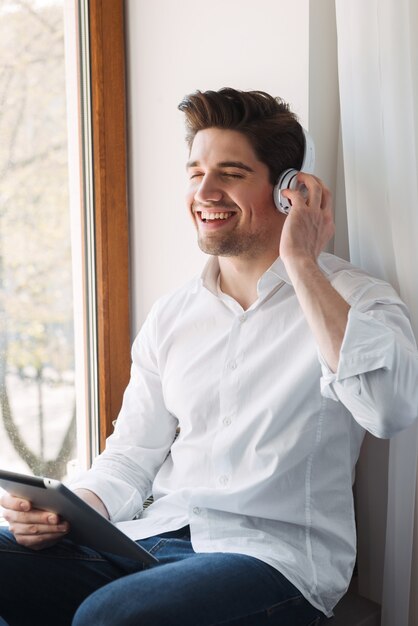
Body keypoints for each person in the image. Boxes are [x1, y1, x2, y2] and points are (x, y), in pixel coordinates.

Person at [1, 88, 417, 626]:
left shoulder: (359, 299)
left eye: (232, 172)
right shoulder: (172, 315)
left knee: (113, 616)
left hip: (271, 559)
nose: (206, 191)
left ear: (287, 191)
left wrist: (301, 263)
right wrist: (69, 511)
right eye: (196, 172)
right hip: (149, 542)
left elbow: (388, 410)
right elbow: (130, 457)